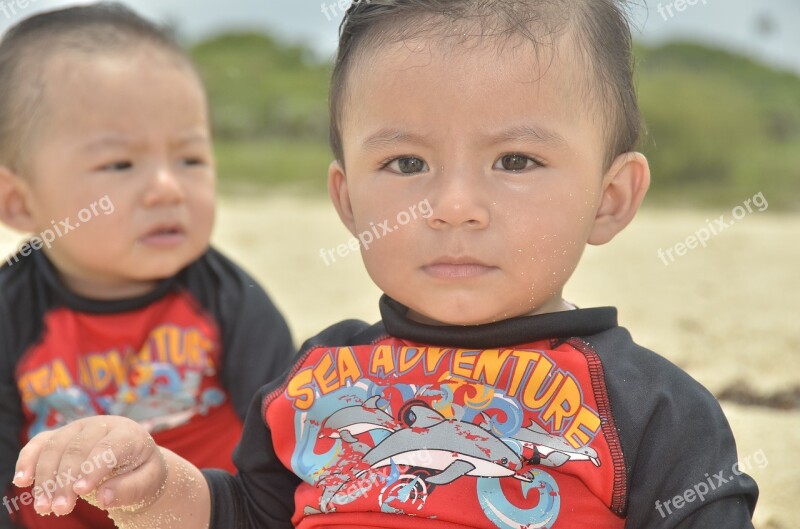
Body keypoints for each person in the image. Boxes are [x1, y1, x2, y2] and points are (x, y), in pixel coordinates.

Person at [11, 1, 759, 528]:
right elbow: (250, 511)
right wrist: (155, 486)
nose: (454, 204)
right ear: (347, 199)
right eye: (406, 162)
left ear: (610, 198)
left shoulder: (655, 411)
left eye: (516, 159)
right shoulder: (318, 377)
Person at [0, 4, 295, 528]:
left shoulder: (232, 298)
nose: (168, 188)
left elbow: (286, 448)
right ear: (19, 202)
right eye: (120, 164)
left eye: (191, 159)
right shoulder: (10, 312)